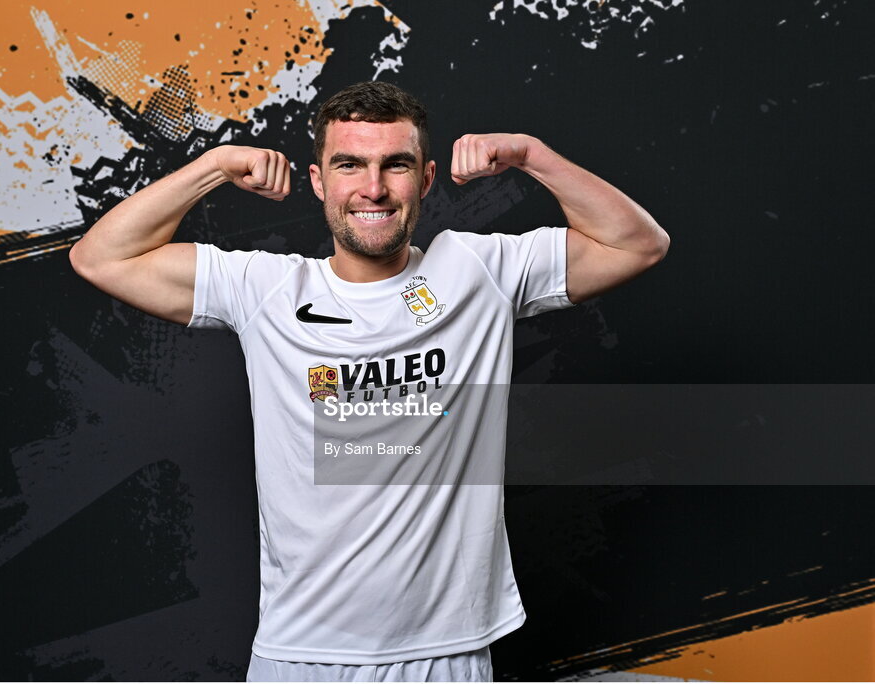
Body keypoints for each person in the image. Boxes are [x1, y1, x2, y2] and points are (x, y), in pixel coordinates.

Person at [69, 81, 669, 682]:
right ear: (318, 181)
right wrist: (214, 166)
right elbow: (102, 258)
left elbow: (638, 245)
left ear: (427, 179)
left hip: (446, 653)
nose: (373, 188)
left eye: (396, 165)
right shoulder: (265, 290)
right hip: (300, 653)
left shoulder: (478, 273)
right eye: (349, 164)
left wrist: (530, 156)